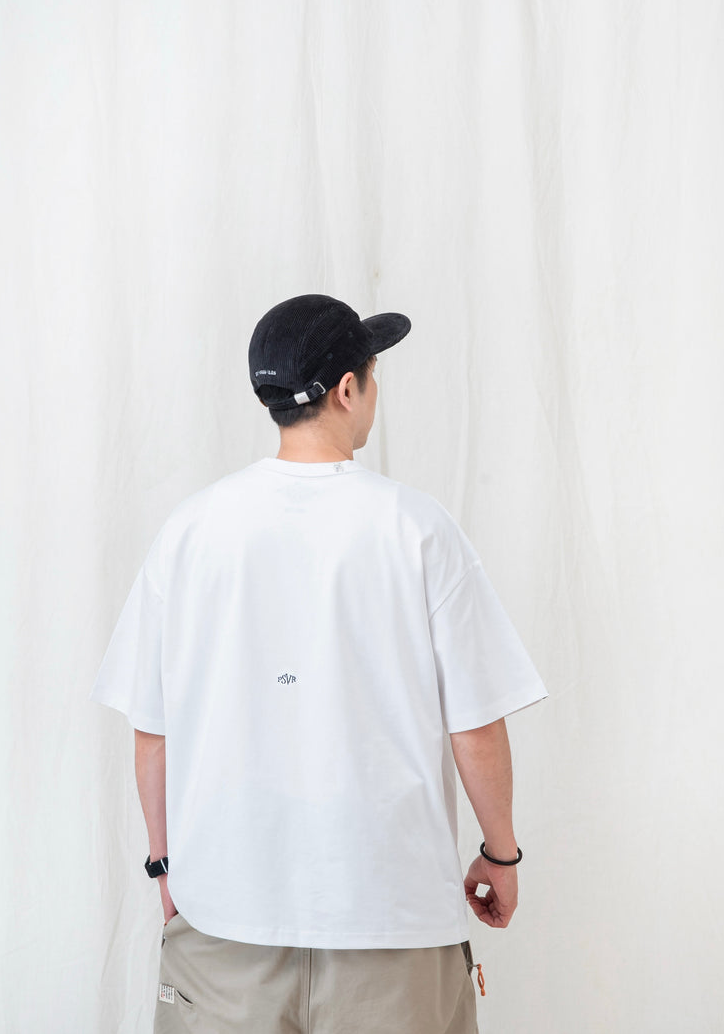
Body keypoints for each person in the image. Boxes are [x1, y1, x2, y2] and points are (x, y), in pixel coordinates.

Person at [90, 293, 547, 1034]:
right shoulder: (417, 528)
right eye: (373, 375)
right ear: (348, 388)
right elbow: (475, 725)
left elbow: (152, 728)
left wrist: (163, 866)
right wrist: (501, 855)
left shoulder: (191, 531)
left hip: (224, 920)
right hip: (392, 921)